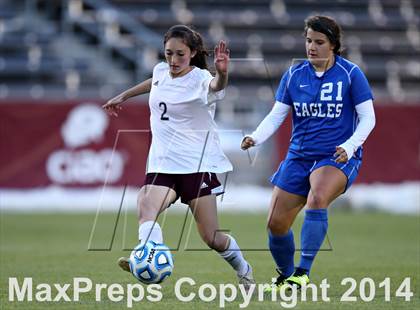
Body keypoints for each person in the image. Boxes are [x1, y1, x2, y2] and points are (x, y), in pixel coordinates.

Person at [103, 25, 255, 287]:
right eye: (168, 53)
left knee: (212, 237)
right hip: (163, 163)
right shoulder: (161, 71)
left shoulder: (201, 79)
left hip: (195, 166)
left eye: (180, 55)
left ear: (193, 52)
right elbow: (155, 82)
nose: (173, 61)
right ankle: (150, 254)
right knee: (146, 204)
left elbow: (217, 85)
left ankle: (243, 268)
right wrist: (124, 95)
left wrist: (222, 73)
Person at [241, 15, 376, 291]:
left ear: (334, 45)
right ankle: (287, 277)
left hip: (335, 156)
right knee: (276, 223)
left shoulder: (351, 74)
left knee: (317, 197)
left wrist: (350, 147)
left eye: (319, 42)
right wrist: (255, 137)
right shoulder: (293, 75)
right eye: (308, 40)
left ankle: (302, 273)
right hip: (299, 156)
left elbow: (369, 118)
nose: (311, 47)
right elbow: (277, 115)